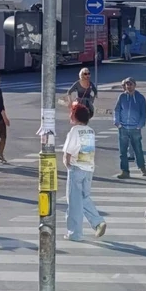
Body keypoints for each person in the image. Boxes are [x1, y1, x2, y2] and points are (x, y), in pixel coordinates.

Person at [62, 102, 106, 241]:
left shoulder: (74, 131)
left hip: (76, 168)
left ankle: (74, 233)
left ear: (75, 116)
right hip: (88, 168)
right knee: (84, 198)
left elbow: (69, 150)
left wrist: (67, 163)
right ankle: (98, 222)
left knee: (74, 202)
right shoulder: (90, 130)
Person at [114, 76, 146, 179]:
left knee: (138, 149)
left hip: (135, 128)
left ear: (134, 85)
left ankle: (142, 167)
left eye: (130, 84)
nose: (128, 86)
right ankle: (125, 171)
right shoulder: (122, 97)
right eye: (127, 84)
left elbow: (143, 113)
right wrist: (117, 122)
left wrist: (140, 125)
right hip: (123, 127)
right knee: (123, 151)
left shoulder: (140, 98)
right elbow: (117, 110)